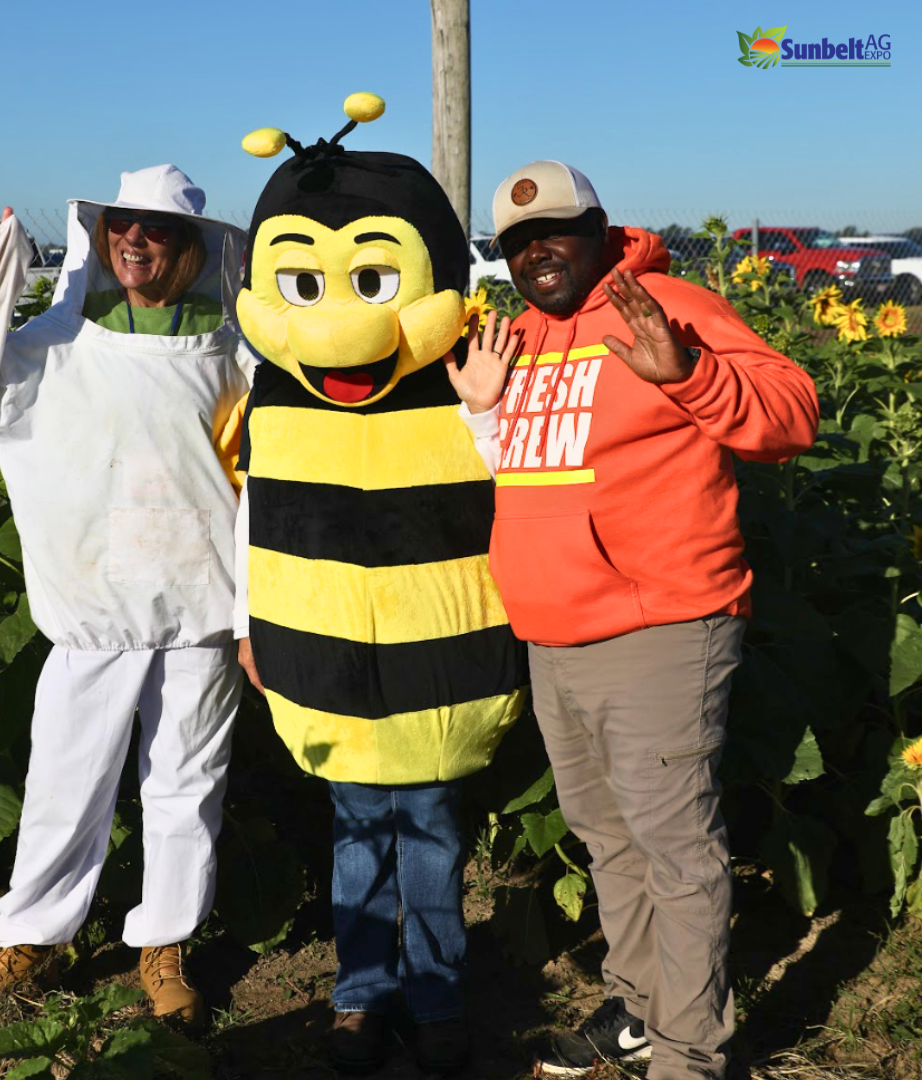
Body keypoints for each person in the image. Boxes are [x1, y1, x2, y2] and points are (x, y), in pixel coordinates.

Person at [445, 160, 819, 1080]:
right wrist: (482, 416)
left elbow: (793, 414)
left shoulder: (667, 305)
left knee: (675, 850)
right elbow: (534, 476)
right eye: (517, 244)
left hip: (660, 625)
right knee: (608, 838)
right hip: (552, 632)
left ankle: (690, 1054)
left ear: (603, 228)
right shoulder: (522, 337)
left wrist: (689, 372)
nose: (537, 253)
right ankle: (644, 1010)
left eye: (556, 232)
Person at [233, 96, 527, 1075]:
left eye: (372, 276)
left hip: (439, 655)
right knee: (358, 832)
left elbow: (512, 484)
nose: (343, 321)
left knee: (432, 833)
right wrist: (249, 621)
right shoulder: (266, 390)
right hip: (321, 652)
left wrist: (483, 409)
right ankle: (362, 994)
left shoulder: (461, 373)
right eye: (308, 285)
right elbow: (258, 513)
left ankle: (436, 999)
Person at [0, 165, 252, 1025]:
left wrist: (252, 612)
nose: (134, 240)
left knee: (188, 782)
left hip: (202, 611)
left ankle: (164, 943)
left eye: (154, 229)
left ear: (191, 245)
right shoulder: (56, 344)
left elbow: (256, 483)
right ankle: (31, 936)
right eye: (122, 225)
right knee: (66, 781)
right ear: (101, 235)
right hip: (93, 613)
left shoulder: (232, 351)